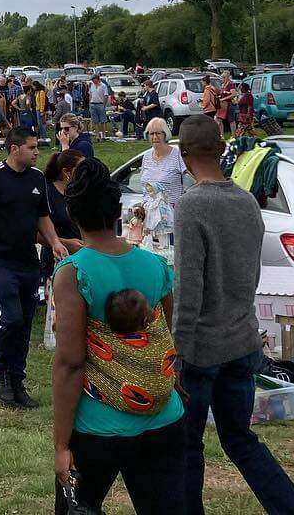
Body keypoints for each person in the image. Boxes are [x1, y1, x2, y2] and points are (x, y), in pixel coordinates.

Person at [172, 115, 294, 515]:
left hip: (201, 350)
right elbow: (252, 276)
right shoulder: (248, 201)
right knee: (241, 441)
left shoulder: (191, 205)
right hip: (242, 340)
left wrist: (177, 354)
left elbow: (188, 291)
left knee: (188, 446)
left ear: (183, 155)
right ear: (222, 150)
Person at [51, 158, 185, 514]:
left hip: (98, 426)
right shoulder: (155, 265)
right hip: (164, 418)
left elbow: (70, 362)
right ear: (116, 212)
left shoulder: (73, 273)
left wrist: (61, 445)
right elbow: (165, 337)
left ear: (73, 215)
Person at [0, 126, 68, 408]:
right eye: (31, 147)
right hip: (0, 260)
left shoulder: (37, 179)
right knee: (10, 318)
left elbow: (42, 216)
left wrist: (55, 242)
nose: (37, 152)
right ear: (14, 149)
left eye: (37, 147)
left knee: (24, 322)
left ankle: (17, 378)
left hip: (28, 261)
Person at [42, 150, 85, 276]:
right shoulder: (47, 194)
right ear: (67, 172)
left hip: (83, 259)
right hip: (58, 260)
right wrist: (65, 243)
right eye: (81, 168)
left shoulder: (80, 191)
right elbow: (36, 233)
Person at [139, 117, 186, 205]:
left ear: (165, 134)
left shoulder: (177, 154)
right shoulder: (146, 156)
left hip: (171, 210)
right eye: (151, 134)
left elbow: (192, 179)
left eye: (158, 133)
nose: (155, 137)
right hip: (148, 210)